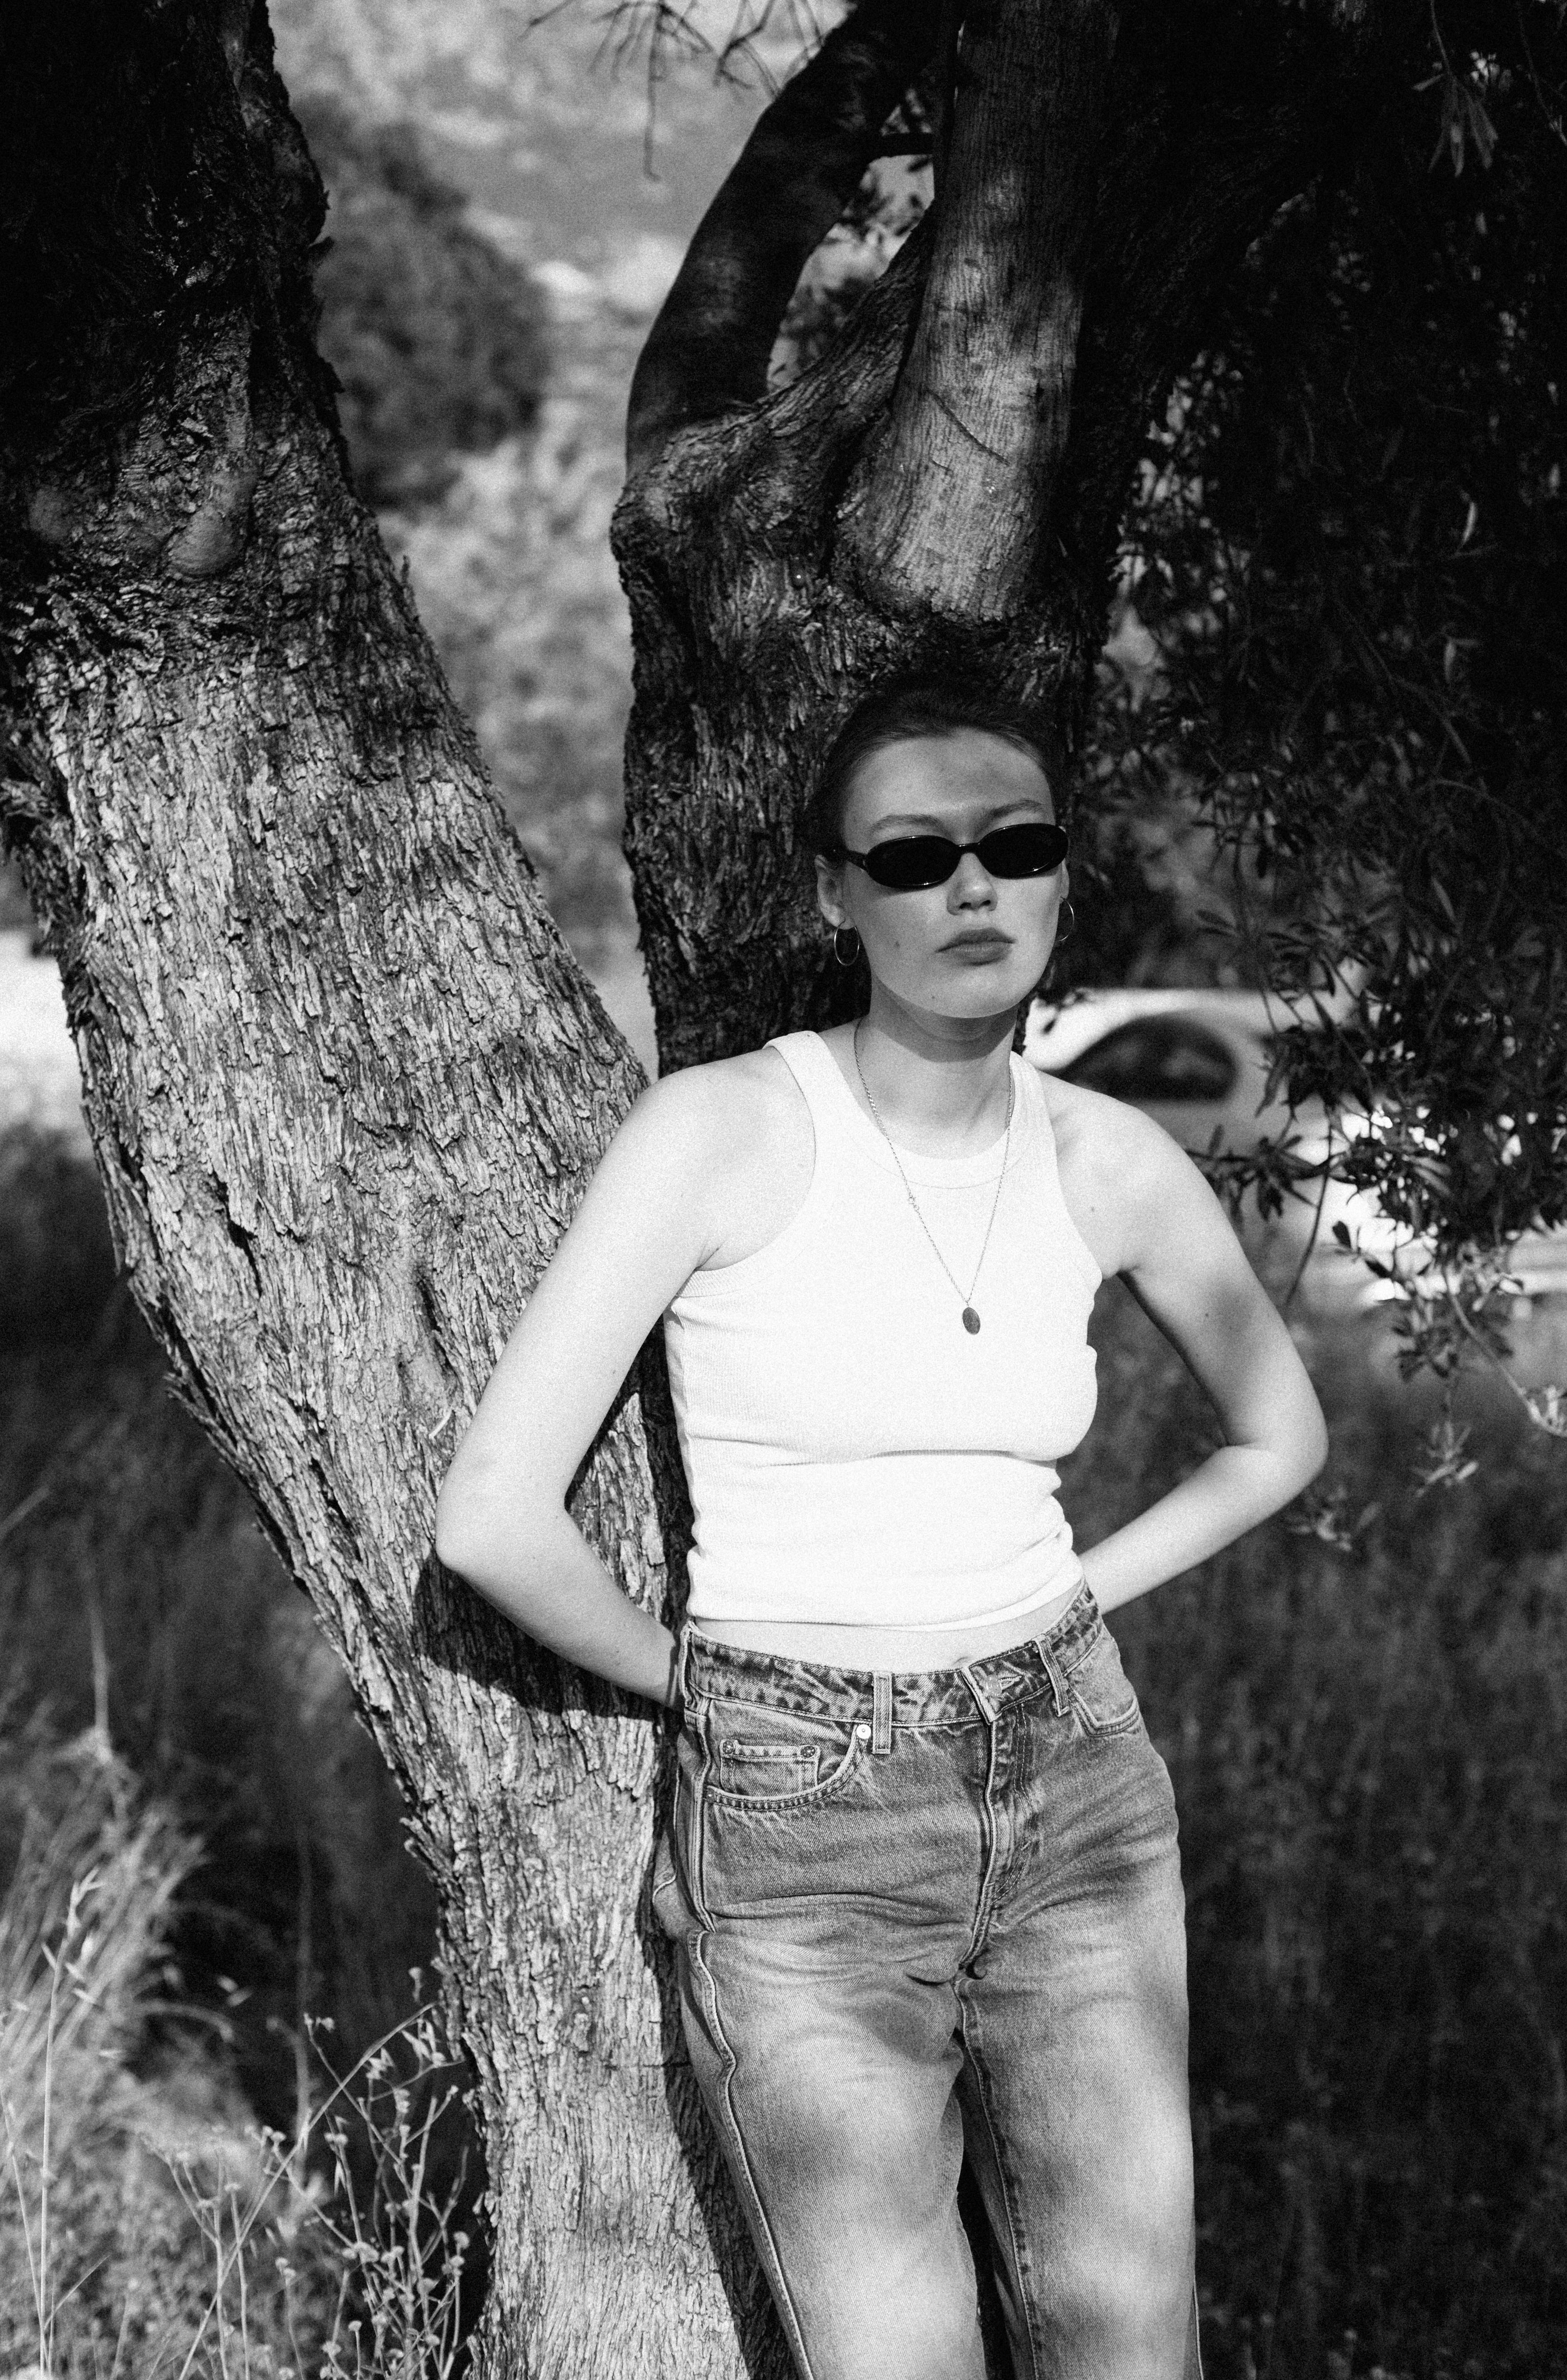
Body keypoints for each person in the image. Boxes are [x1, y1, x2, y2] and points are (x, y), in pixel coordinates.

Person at [434, 672, 1329, 2380]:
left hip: (1077, 1783)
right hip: (805, 1821)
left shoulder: (1114, 1157)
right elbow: (493, 1516)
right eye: (915, 856)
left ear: (1066, 876)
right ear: (835, 892)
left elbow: (1278, 1435)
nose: (972, 888)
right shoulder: (723, 1130)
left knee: (1130, 2345)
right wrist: (707, 1684)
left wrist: (1075, 1589)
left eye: (1017, 844)